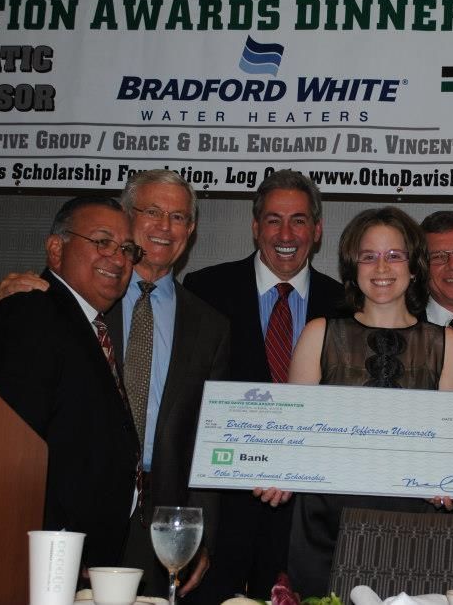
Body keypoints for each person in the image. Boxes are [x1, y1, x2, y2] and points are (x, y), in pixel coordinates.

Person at [0, 171, 231, 598]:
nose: (165, 227)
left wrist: (198, 530)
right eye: (152, 212)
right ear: (126, 216)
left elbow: (210, 438)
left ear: (191, 230)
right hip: (68, 516)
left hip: (161, 521)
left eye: (179, 217)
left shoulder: (211, 325)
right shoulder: (79, 294)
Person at [284, 206, 453, 596]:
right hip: (325, 526)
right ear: (353, 267)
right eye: (368, 256)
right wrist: (275, 470)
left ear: (414, 267)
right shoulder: (319, 333)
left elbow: (448, 445)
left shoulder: (448, 344)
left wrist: (452, 477)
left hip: (414, 527)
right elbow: (290, 434)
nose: (381, 267)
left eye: (394, 255)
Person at [181, 169, 344, 602]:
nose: (286, 234)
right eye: (274, 220)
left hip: (307, 520)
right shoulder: (204, 290)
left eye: (298, 220)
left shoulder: (345, 305)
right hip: (221, 512)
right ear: (256, 227)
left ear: (317, 230)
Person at [0, 196, 143, 569]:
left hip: (79, 554)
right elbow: (8, 454)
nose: (118, 258)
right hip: (44, 556)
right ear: (56, 249)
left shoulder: (85, 323)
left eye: (127, 249)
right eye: (102, 241)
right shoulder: (28, 313)